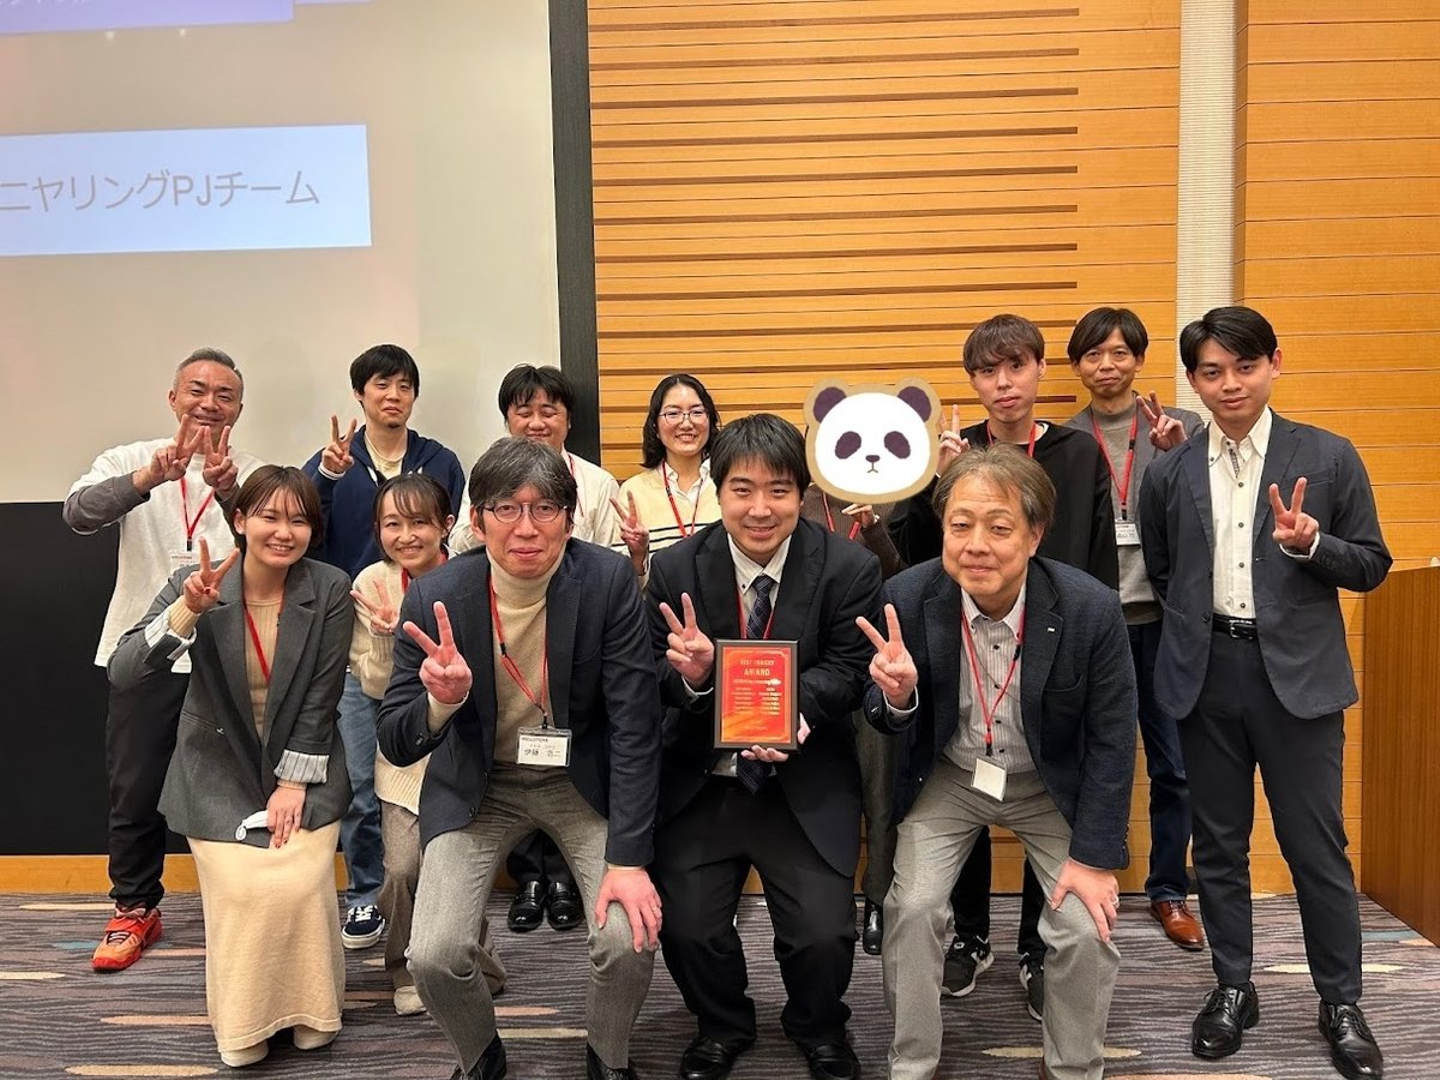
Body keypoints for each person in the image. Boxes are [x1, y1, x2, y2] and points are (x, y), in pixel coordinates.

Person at [1140, 306, 1390, 1080]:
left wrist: (1313, 543)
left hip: (1300, 680)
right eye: (1212, 371)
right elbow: (1165, 570)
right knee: (1217, 846)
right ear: (1193, 380)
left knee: (1316, 847)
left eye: (1245, 366)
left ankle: (1340, 1000)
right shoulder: (1170, 471)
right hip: (1206, 674)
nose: (1230, 384)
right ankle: (1233, 987)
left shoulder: (1329, 455)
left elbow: (1372, 564)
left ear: (1274, 363)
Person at [378, 436, 661, 1080]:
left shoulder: (608, 580)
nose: (526, 528)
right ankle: (481, 1055)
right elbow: (396, 738)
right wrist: (441, 702)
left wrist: (630, 860)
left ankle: (608, 1057)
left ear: (570, 518)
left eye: (544, 509)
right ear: (477, 522)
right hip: (481, 786)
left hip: (581, 780)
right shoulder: (435, 598)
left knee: (628, 937)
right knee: (433, 954)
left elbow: (636, 726)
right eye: (506, 509)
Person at [865, 447, 1136, 1080]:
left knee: (1083, 923)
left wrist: (1094, 858)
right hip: (952, 776)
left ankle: (1073, 1068)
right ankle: (912, 1063)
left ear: (1035, 535)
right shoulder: (907, 598)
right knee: (912, 909)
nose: (976, 545)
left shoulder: (1089, 609)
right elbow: (877, 714)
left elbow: (1113, 739)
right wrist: (896, 699)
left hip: (1048, 783)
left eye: (999, 526)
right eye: (960, 525)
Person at [887, 313, 1119, 1016]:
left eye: (1016, 366)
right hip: (971, 652)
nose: (1004, 382)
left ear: (1041, 369)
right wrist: (935, 480)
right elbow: (923, 559)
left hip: (1057, 648)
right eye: (988, 371)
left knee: (1044, 785)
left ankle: (1036, 950)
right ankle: (971, 936)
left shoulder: (1078, 453)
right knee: (965, 772)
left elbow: (1099, 560)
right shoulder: (958, 458)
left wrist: (1087, 625)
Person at [646, 413, 882, 1080]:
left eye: (778, 491)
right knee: (687, 927)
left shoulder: (849, 566)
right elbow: (653, 672)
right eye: (742, 490)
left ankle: (818, 1024)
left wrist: (789, 714)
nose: (759, 509)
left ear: (803, 494)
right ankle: (722, 1023)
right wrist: (694, 679)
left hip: (804, 776)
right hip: (706, 778)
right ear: (717, 490)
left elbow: (849, 667)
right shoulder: (675, 569)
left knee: (824, 934)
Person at [108, 466, 354, 1068]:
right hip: (215, 772)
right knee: (247, 890)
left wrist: (293, 782)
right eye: (269, 516)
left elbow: (322, 697)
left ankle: (313, 1011)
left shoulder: (329, 588)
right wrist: (187, 611)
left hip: (306, 769)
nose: (284, 531)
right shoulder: (196, 582)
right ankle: (244, 1020)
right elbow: (126, 669)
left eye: (299, 520)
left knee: (298, 883)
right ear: (239, 519)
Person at [65, 347, 260, 972]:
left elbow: (276, 543)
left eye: (224, 395)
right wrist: (148, 479)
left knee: (239, 788)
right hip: (144, 651)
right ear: (173, 398)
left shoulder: (253, 471)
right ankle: (134, 908)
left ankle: (248, 903)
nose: (209, 403)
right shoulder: (130, 458)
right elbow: (79, 515)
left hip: (226, 656)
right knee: (135, 789)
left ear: (238, 409)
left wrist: (230, 495)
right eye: (197, 390)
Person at [303, 343, 466, 950]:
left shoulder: (439, 460)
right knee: (361, 782)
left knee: (437, 773)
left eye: (403, 385)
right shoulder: (335, 460)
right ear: (359, 394)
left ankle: (435, 892)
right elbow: (304, 526)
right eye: (380, 384)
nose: (392, 395)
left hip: (428, 642)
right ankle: (367, 894)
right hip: (357, 642)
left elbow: (459, 534)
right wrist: (327, 477)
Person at [454, 364, 621, 936]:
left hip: (579, 632)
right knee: (516, 738)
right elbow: (464, 551)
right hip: (509, 627)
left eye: (549, 410)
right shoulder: (488, 478)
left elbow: (607, 557)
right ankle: (531, 878)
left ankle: (567, 879)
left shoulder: (597, 482)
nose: (536, 421)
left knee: (569, 749)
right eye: (523, 410)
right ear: (507, 418)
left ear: (568, 419)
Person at [1064, 306, 1206, 950]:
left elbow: (1208, 517)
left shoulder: (1182, 429)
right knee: (1088, 760)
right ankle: (1083, 877)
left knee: (1173, 764)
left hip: (1163, 623)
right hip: (1093, 627)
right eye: (1094, 355)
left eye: (1120, 353)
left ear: (1141, 360)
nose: (1107, 366)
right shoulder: (1065, 440)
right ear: (1077, 366)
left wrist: (1179, 459)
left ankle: (1169, 889)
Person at [349, 473, 507, 1016]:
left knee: (458, 868)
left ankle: (476, 963)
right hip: (405, 755)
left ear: (447, 524)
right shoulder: (372, 583)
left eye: (419, 522)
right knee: (401, 869)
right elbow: (373, 686)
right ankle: (404, 969)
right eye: (392, 524)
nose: (406, 535)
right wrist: (388, 641)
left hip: (467, 750)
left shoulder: (477, 576)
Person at [799, 487, 905, 956]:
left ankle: (878, 897)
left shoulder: (897, 496)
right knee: (819, 788)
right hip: (818, 669)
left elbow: (905, 580)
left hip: (876, 667)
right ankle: (829, 893)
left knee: (880, 794)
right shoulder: (800, 502)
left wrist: (876, 531)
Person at [612, 373, 722, 581]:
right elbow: (620, 585)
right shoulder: (634, 492)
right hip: (658, 601)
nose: (686, 423)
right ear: (655, 427)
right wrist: (638, 554)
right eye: (673, 413)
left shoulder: (728, 483)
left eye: (697, 412)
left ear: (710, 421)